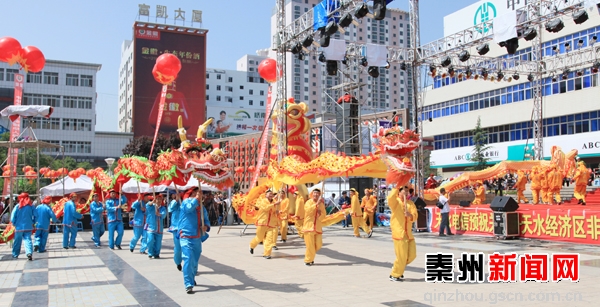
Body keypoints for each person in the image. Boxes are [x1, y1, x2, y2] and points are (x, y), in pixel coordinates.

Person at [179, 187, 210, 294]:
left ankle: (191, 277)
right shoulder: (185, 202)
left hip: (197, 237)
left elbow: (206, 220)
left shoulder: (202, 207)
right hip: (186, 236)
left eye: (200, 193)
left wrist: (206, 226)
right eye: (197, 193)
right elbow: (188, 208)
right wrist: (196, 199)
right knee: (188, 259)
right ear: (192, 194)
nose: (199, 195)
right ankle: (188, 284)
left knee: (194, 261)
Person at [387, 186, 418, 281]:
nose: (406, 192)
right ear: (399, 192)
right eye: (404, 190)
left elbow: (415, 216)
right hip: (399, 233)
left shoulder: (410, 203)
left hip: (408, 233)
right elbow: (390, 198)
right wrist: (396, 186)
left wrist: (410, 215)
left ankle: (397, 267)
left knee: (412, 255)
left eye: (407, 190)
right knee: (401, 256)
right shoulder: (396, 202)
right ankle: (395, 274)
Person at [249, 189, 280, 259]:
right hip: (262, 222)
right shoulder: (263, 201)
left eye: (272, 194)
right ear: (266, 195)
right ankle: (252, 245)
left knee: (269, 239)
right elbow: (266, 208)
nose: (271, 195)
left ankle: (267, 254)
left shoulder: (275, 202)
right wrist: (274, 204)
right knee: (259, 238)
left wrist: (277, 212)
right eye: (269, 194)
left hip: (271, 224)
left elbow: (274, 212)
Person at [303, 188, 326, 266]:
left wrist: (320, 215)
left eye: (317, 193)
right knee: (310, 246)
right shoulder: (308, 202)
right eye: (314, 193)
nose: (316, 195)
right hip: (308, 227)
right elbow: (308, 211)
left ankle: (311, 256)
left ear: (319, 195)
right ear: (312, 194)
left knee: (319, 244)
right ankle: (308, 260)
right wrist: (316, 205)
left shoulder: (321, 204)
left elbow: (324, 215)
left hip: (318, 227)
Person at [12, 193, 37, 260]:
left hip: (19, 227)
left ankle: (15, 254)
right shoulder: (31, 206)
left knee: (17, 241)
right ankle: (29, 253)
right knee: (28, 239)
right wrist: (33, 222)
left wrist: (14, 223)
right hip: (28, 226)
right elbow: (36, 215)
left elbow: (12, 217)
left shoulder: (17, 206)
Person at [145, 194, 167, 259]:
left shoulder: (163, 208)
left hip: (159, 228)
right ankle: (150, 252)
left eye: (160, 199)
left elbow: (164, 215)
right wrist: (152, 202)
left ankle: (156, 254)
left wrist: (159, 214)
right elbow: (147, 205)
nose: (159, 200)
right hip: (151, 227)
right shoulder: (151, 206)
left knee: (158, 243)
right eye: (158, 199)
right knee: (150, 240)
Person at [168, 191, 183, 271]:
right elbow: (170, 209)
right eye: (174, 194)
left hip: (185, 228)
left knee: (187, 247)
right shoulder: (172, 203)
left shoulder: (184, 202)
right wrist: (176, 200)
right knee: (178, 247)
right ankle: (178, 262)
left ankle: (189, 266)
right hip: (176, 228)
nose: (176, 195)